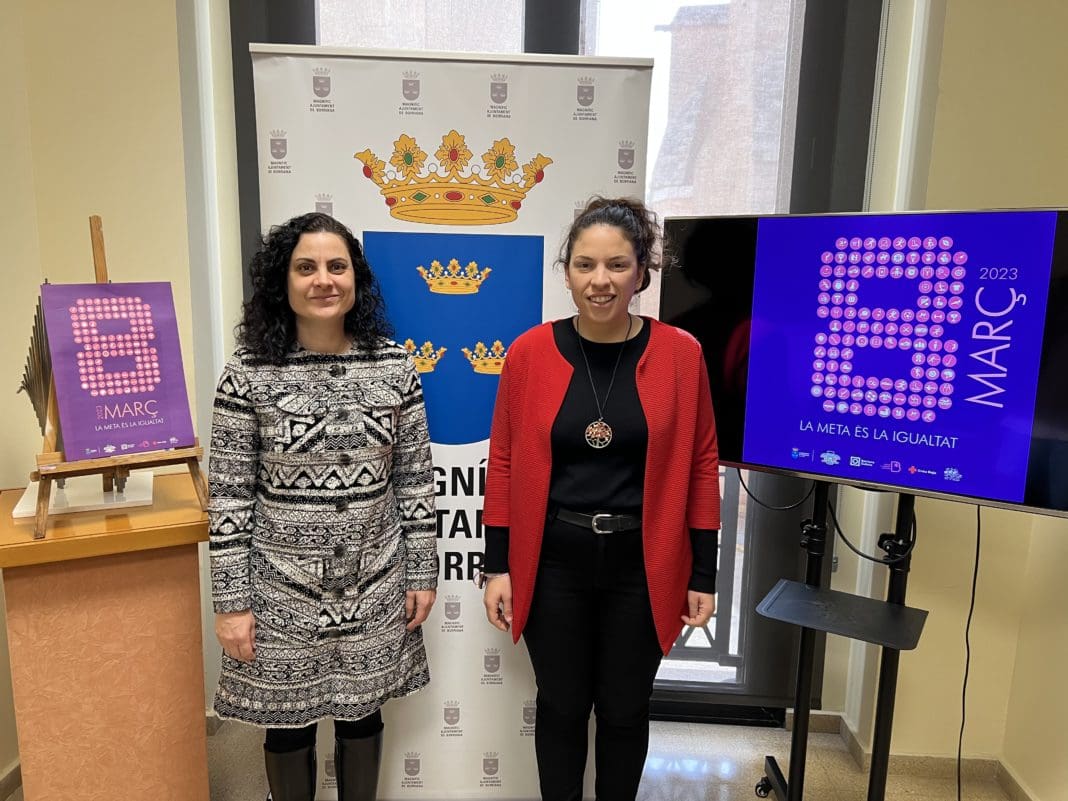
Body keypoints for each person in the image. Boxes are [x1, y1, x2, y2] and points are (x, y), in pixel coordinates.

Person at [480, 196, 721, 801]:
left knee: (624, 708)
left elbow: (701, 464)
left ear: (642, 271)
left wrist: (704, 572)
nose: (600, 280)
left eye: (617, 265)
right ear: (566, 272)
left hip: (644, 562)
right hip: (553, 560)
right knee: (561, 706)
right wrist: (497, 564)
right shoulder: (529, 353)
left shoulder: (681, 354)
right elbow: (503, 461)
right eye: (585, 265)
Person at [208, 212, 438, 801]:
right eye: (305, 267)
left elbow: (414, 480)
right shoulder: (247, 374)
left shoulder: (395, 367)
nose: (323, 280)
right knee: (288, 723)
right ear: (281, 281)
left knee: (363, 715)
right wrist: (231, 604)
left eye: (337, 266)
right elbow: (229, 496)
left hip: (375, 580)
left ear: (356, 279)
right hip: (279, 590)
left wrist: (422, 572)